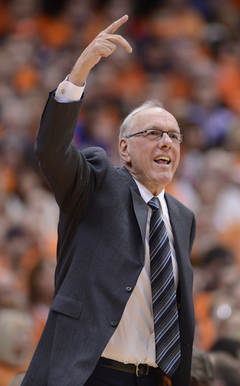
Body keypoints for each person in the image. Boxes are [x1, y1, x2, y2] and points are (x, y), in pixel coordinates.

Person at [21, 15, 196, 386]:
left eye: (174, 136)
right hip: (90, 374)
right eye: (153, 133)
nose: (167, 142)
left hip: (152, 378)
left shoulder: (182, 216)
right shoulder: (98, 181)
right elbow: (52, 151)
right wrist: (79, 74)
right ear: (124, 149)